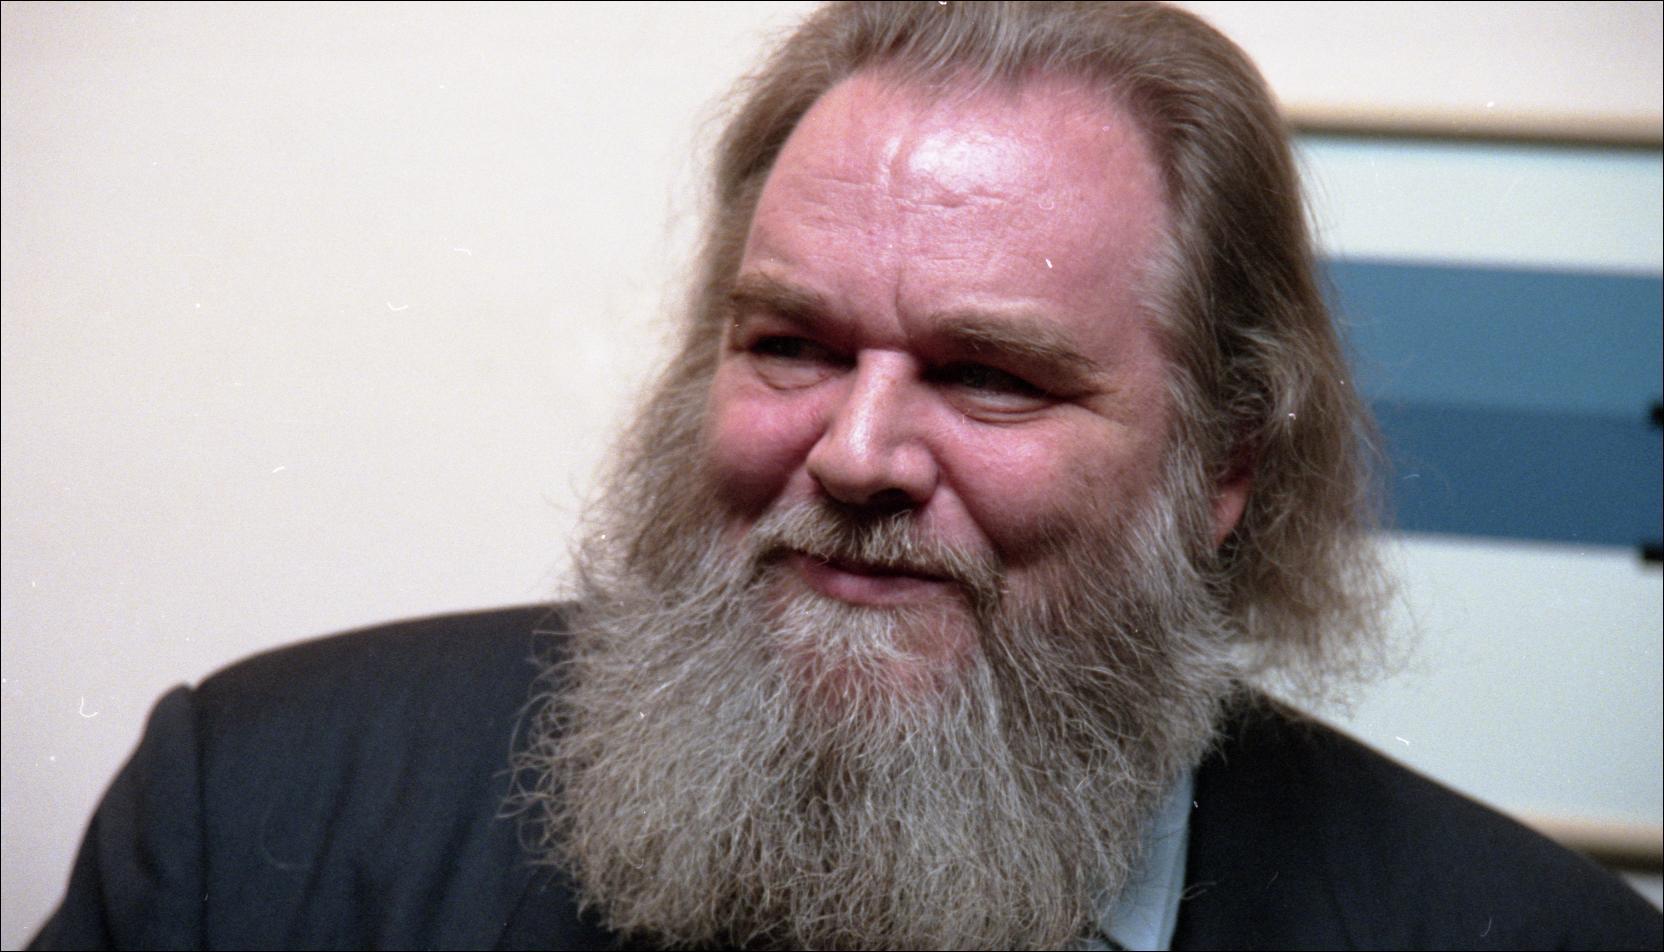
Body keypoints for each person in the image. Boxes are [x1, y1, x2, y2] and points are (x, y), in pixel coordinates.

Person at [29, 3, 1662, 949]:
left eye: (990, 375)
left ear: (1224, 463)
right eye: (793, 346)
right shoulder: (261, 819)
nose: (857, 454)